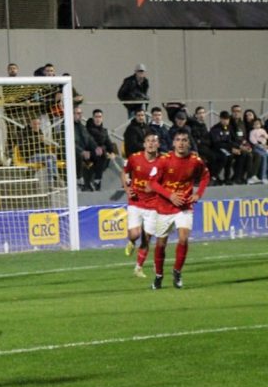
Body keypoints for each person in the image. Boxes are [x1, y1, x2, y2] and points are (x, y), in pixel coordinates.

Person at [148, 130, 209, 290]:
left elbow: (205, 177)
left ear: (188, 143)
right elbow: (152, 183)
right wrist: (170, 196)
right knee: (161, 244)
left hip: (184, 206)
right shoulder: (164, 160)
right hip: (164, 207)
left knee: (183, 238)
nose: (181, 143)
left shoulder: (195, 161)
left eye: (184, 140)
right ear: (173, 143)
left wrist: (198, 194)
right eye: (178, 140)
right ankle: (159, 276)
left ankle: (177, 271)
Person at [121, 130, 161, 278]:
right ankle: (131, 241)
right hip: (136, 201)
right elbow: (124, 172)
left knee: (146, 238)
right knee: (135, 234)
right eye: (148, 141)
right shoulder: (135, 158)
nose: (151, 143)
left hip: (153, 204)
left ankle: (138, 267)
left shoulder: (162, 161)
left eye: (154, 141)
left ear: (158, 144)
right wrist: (127, 189)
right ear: (144, 144)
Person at [19, 116, 59, 190]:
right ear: (30, 124)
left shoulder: (39, 131)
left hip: (41, 156)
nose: (37, 126)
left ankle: (51, 185)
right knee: (52, 156)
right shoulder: (24, 132)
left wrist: (44, 143)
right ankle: (56, 177)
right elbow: (24, 147)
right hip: (31, 156)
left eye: (38, 124)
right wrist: (37, 139)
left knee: (49, 161)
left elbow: (42, 146)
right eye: (35, 124)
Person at [85, 109, 117, 190]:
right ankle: (97, 180)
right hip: (90, 153)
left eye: (100, 117)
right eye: (96, 117)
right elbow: (92, 144)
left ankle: (124, 180)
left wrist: (112, 152)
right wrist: (105, 150)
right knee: (103, 155)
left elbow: (108, 143)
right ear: (93, 118)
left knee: (117, 159)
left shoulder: (104, 131)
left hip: (102, 153)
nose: (98, 119)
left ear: (102, 118)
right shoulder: (88, 129)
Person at [72, 106, 99, 191]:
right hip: (73, 152)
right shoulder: (67, 127)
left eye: (81, 113)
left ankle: (92, 180)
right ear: (72, 114)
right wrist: (82, 151)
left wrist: (96, 148)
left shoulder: (82, 127)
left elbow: (90, 139)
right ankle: (79, 179)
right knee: (79, 155)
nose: (80, 115)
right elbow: (71, 143)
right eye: (78, 113)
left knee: (100, 155)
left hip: (84, 151)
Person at [248, 117, 267, 184]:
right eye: (255, 124)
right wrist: (258, 144)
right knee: (263, 158)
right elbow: (252, 140)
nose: (257, 125)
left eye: (258, 124)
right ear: (253, 125)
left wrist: (265, 137)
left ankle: (264, 176)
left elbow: (266, 136)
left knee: (265, 158)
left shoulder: (263, 131)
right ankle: (262, 177)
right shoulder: (252, 132)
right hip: (257, 147)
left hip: (264, 147)